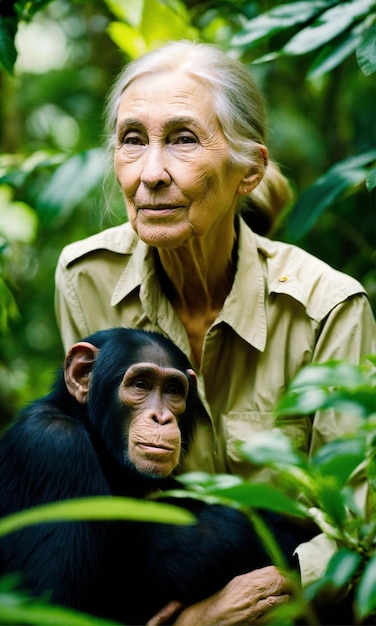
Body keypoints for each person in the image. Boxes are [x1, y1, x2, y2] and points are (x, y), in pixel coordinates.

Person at [54, 40, 376, 625]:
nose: (150, 174)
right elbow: (96, 497)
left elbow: (359, 531)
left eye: (182, 139)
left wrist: (248, 604)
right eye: (131, 140)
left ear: (249, 169)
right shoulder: (87, 277)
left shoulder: (327, 308)